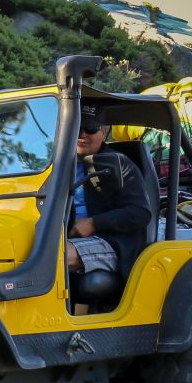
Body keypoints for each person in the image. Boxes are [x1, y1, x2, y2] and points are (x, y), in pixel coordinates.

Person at [66, 102, 154, 294]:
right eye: (77, 128)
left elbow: (140, 213)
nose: (82, 135)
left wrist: (93, 223)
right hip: (62, 235)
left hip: (111, 241)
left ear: (104, 132)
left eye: (90, 129)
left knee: (54, 258)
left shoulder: (120, 164)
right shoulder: (55, 165)